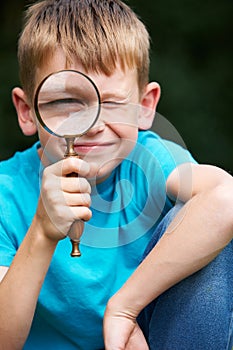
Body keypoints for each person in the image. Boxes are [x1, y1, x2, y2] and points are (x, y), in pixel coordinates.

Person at [0, 0, 232, 349]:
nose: (92, 125)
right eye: (65, 102)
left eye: (110, 103)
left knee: (203, 226)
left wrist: (125, 306)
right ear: (27, 112)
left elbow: (226, 198)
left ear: (145, 106)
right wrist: (42, 234)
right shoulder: (7, 192)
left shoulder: (149, 160)